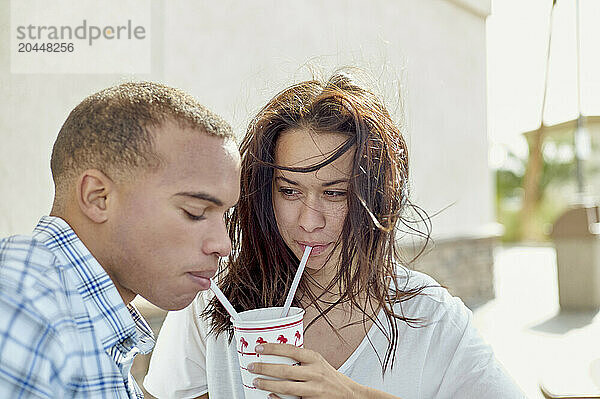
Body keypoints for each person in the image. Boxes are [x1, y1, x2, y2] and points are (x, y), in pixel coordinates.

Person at [143, 72, 525, 398]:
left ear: (376, 196)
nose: (310, 221)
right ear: (264, 194)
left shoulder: (430, 318)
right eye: (289, 191)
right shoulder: (214, 303)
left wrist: (353, 394)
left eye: (335, 193)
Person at [0, 82, 241, 398]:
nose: (223, 245)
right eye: (195, 212)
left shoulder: (92, 331)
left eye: (224, 215)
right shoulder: (23, 302)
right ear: (98, 197)